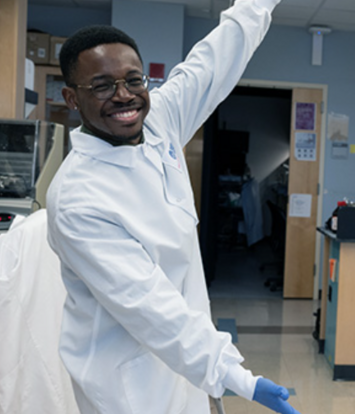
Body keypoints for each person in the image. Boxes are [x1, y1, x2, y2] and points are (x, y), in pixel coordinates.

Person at [46, 1, 300, 413]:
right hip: (131, 388)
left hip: (191, 364)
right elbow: (150, 306)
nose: (124, 95)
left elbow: (214, 60)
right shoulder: (78, 198)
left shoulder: (157, 122)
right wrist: (236, 377)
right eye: (103, 85)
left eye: (133, 79)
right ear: (72, 98)